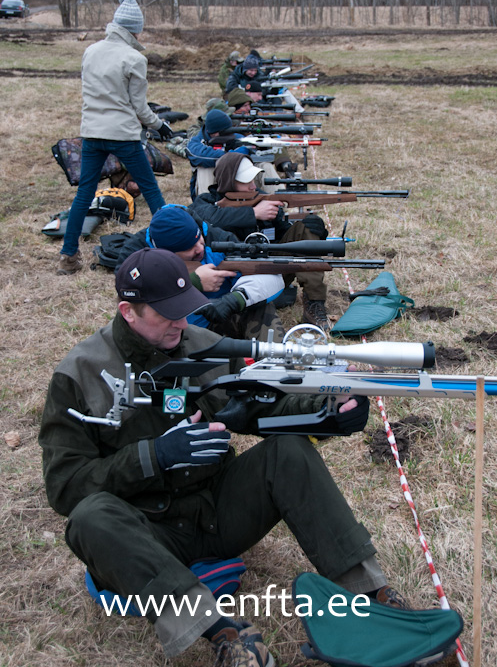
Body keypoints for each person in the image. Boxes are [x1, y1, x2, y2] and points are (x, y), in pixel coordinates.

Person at [40, 247, 407, 666]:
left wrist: (326, 411)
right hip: (145, 534)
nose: (181, 322)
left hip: (217, 511)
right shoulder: (80, 373)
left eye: (184, 309)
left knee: (287, 451)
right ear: (128, 311)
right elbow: (65, 486)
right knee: (90, 518)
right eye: (166, 314)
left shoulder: (204, 345)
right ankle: (224, 634)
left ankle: (371, 598)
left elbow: (261, 405)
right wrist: (153, 456)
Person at [57, 0, 173, 276]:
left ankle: (68, 257)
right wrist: (160, 126)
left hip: (92, 134)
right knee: (151, 190)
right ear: (135, 29)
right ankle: (172, 249)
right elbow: (141, 108)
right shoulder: (134, 58)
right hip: (124, 136)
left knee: (84, 194)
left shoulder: (90, 51)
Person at [189, 153, 332, 329]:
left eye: (253, 179)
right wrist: (253, 214)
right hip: (228, 279)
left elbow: (285, 236)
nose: (252, 186)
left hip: (270, 271)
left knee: (306, 228)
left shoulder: (262, 198)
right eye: (245, 181)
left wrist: (311, 233)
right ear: (228, 181)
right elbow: (208, 219)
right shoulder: (206, 202)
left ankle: (314, 304)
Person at [112, 204, 285, 340]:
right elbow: (132, 299)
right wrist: (192, 282)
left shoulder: (218, 238)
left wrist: (234, 300)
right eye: (189, 248)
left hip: (218, 320)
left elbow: (267, 275)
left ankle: (278, 368)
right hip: (167, 332)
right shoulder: (135, 252)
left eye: (199, 238)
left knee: (260, 306)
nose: (200, 247)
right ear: (167, 253)